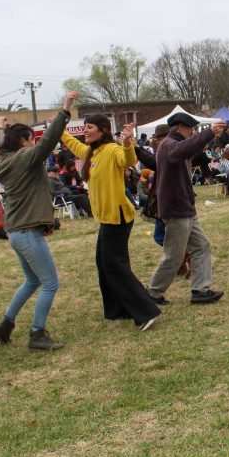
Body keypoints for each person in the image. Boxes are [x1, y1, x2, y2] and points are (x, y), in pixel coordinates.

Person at [0, 91, 79, 350]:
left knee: (32, 280)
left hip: (17, 231)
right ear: (23, 142)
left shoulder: (3, 159)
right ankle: (37, 334)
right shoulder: (24, 158)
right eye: (31, 139)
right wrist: (64, 110)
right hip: (27, 232)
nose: (34, 143)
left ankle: (5, 326)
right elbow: (47, 144)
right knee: (50, 283)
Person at [59, 115, 161, 331]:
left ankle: (146, 312)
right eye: (85, 127)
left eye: (90, 127)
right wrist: (59, 123)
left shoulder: (112, 150)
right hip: (106, 218)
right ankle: (116, 309)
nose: (85, 131)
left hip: (118, 216)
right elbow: (71, 142)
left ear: (103, 131)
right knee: (103, 263)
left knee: (115, 265)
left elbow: (127, 159)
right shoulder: (92, 153)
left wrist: (126, 143)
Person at [146, 112, 227, 306]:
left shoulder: (173, 145)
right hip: (176, 209)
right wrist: (208, 133)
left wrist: (205, 138)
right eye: (190, 128)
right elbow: (182, 150)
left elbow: (188, 150)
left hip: (184, 207)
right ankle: (152, 294)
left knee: (200, 246)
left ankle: (200, 290)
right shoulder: (169, 145)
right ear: (180, 127)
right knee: (174, 255)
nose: (192, 132)